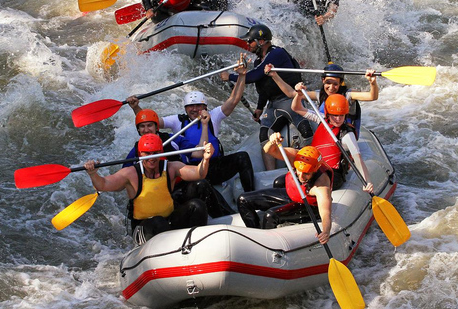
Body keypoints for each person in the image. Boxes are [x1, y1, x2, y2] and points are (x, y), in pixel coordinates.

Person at [127, 53, 255, 194]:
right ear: (185, 108)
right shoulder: (178, 121)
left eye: (198, 106)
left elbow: (234, 99)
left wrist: (242, 76)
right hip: (192, 170)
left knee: (242, 157)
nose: (194, 109)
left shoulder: (214, 116)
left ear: (205, 107)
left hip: (214, 166)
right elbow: (149, 122)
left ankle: (251, 194)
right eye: (190, 107)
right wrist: (135, 107)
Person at [84, 135, 214, 244]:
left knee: (197, 205)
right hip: (144, 227)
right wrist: (93, 174)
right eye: (147, 153)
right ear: (140, 154)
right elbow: (103, 184)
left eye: (155, 153)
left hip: (169, 221)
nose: (151, 158)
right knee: (159, 222)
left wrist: (205, 159)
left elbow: (198, 173)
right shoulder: (130, 174)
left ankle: (196, 245)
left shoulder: (171, 167)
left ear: (161, 153)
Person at [222, 24, 312, 170]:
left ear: (261, 41)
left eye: (250, 41)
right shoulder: (259, 62)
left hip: (291, 100)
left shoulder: (277, 53)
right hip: (274, 104)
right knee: (264, 135)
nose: (247, 44)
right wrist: (259, 108)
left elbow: (254, 75)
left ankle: (306, 167)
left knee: (306, 131)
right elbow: (262, 87)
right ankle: (271, 174)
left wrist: (231, 76)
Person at [236, 139, 333, 244]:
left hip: (308, 206)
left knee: (270, 216)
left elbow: (325, 212)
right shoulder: (296, 156)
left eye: (306, 174)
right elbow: (268, 150)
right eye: (299, 171)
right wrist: (272, 141)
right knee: (243, 200)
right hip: (292, 194)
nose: (301, 176)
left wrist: (326, 231)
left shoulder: (321, 185)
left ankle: (267, 244)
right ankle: (256, 236)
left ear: (314, 171)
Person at [264, 63, 378, 135]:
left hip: (345, 134)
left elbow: (372, 96)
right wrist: (274, 75)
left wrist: (372, 83)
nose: (331, 88)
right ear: (323, 80)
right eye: (328, 83)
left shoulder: (348, 95)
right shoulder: (320, 94)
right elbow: (291, 93)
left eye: (335, 84)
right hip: (327, 133)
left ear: (341, 83)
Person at [289, 91, 357, 188]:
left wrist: (368, 183)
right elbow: (296, 108)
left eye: (341, 115)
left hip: (333, 174)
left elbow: (359, 160)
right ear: (328, 114)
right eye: (334, 115)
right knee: (281, 182)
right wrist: (299, 94)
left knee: (310, 184)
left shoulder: (347, 134)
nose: (338, 119)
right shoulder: (322, 120)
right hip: (313, 166)